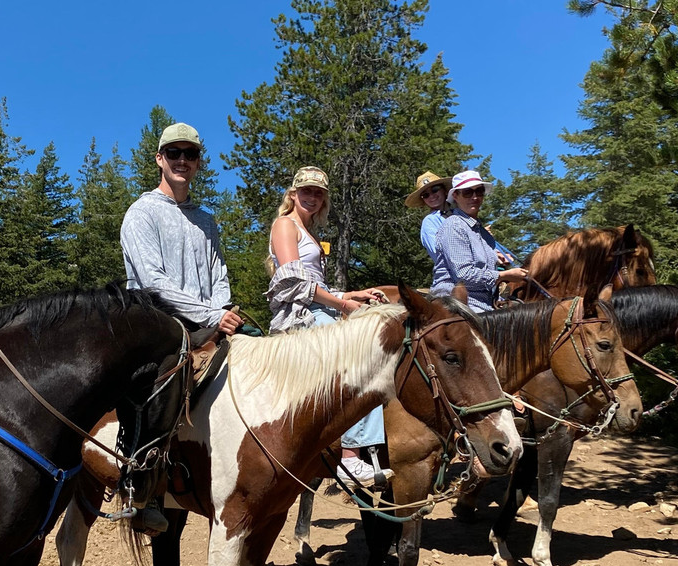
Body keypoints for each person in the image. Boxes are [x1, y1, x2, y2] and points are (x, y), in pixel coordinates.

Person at [266, 166, 391, 490]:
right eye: (306, 191)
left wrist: (353, 295)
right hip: (298, 316)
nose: (312, 197)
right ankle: (350, 456)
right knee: (360, 352)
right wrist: (343, 304)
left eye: (318, 193)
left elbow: (315, 285)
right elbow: (292, 282)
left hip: (318, 308)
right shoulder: (285, 225)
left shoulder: (310, 234)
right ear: (293, 194)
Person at [120, 122, 243, 335]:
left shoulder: (206, 221)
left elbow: (219, 277)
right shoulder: (141, 213)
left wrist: (220, 313)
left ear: (198, 162)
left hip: (210, 326)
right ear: (160, 158)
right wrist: (211, 315)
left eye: (191, 154)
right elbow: (153, 282)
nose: (182, 160)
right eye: (174, 153)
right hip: (158, 329)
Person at [431, 169, 527, 313]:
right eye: (468, 192)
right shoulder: (454, 225)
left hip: (485, 303)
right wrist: (504, 275)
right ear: (456, 196)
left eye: (479, 191)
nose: (474, 197)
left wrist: (496, 259)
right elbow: (463, 275)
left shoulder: (483, 233)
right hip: (455, 303)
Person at [405, 169, 518, 268]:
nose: (432, 196)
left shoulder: (462, 214)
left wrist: (499, 254)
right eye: (426, 195)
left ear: (444, 190)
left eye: (435, 190)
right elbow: (442, 254)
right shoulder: (430, 222)